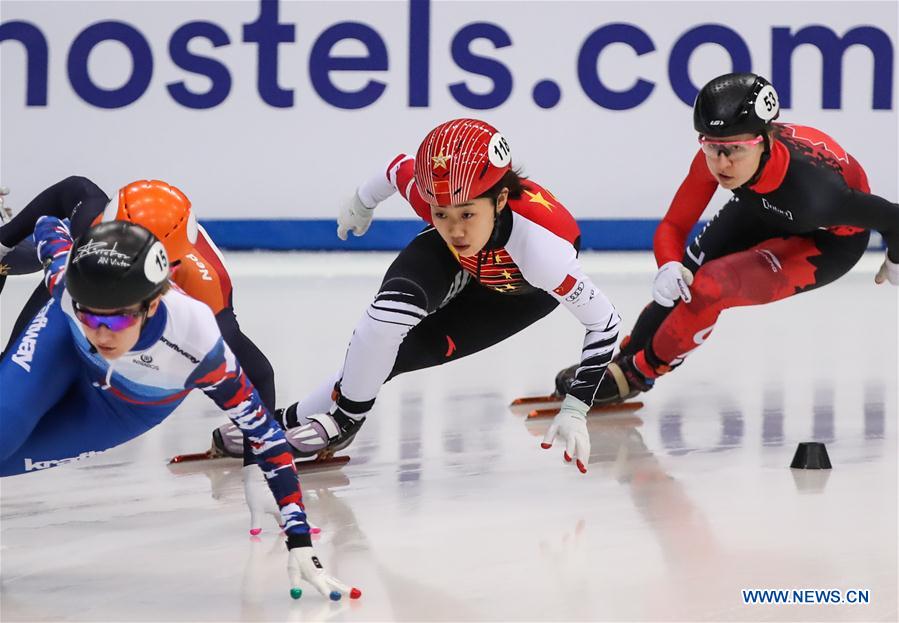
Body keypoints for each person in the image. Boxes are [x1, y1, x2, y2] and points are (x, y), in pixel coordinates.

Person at [216, 118, 621, 474]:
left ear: (499, 200)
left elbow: (604, 322)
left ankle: (301, 419)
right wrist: (361, 202)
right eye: (440, 213)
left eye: (466, 214)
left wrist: (576, 407)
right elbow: (397, 169)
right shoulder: (443, 204)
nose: (455, 229)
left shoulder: (542, 253)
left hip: (517, 293)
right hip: (459, 263)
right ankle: (330, 420)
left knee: (399, 357)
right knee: (383, 322)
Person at [0, 218, 359, 601]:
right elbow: (48, 225)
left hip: (125, 404)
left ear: (153, 303)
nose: (102, 334)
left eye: (118, 318)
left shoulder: (196, 342)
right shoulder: (65, 282)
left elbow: (266, 436)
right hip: (60, 346)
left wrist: (299, 540)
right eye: (89, 314)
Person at [554, 72, 899, 403]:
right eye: (711, 145)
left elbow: (893, 218)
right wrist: (669, 265)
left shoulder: (818, 194)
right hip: (764, 206)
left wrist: (895, 258)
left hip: (826, 242)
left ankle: (637, 374)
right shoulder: (723, 159)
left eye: (734, 149)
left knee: (711, 286)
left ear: (765, 141)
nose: (721, 162)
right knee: (687, 273)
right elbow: (673, 226)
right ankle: (625, 357)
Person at [0, 178, 276, 415]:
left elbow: (258, 373)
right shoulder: (90, 228)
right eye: (114, 251)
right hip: (81, 272)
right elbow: (74, 188)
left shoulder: (205, 284)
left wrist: (258, 454)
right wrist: (4, 241)